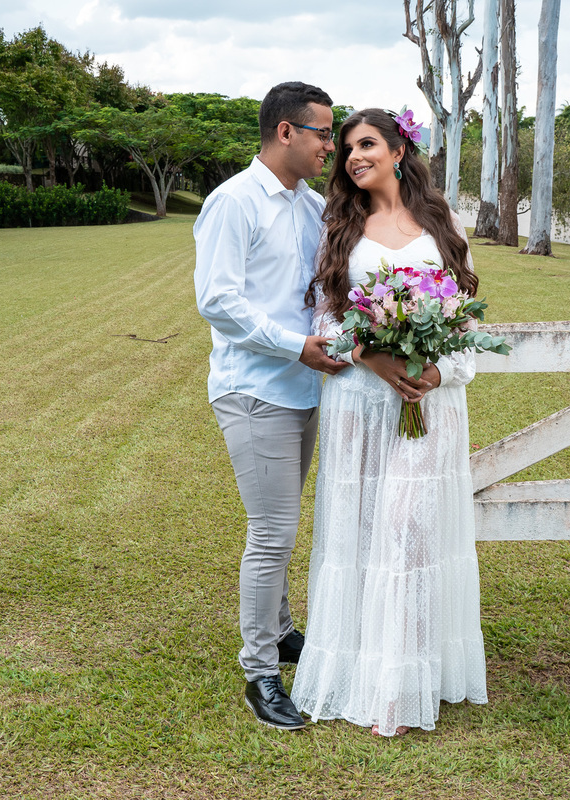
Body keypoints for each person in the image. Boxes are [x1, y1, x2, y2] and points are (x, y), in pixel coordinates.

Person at [290, 108, 488, 737]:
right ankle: (368, 675)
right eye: (346, 148)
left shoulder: (441, 222)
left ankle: (405, 686)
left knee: (411, 534)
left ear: (400, 149)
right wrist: (371, 355)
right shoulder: (341, 229)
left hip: (429, 403)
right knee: (365, 535)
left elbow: (469, 320)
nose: (353, 156)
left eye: (366, 143)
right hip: (362, 402)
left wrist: (438, 372)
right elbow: (326, 323)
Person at [194, 82, 349, 731]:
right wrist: (298, 347)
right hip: (253, 390)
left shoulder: (311, 205)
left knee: (283, 525)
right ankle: (261, 671)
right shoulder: (234, 202)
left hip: (303, 387)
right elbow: (219, 302)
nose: (330, 146)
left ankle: (283, 631)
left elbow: (314, 290)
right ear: (285, 132)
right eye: (322, 133)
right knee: (272, 533)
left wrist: (332, 331)